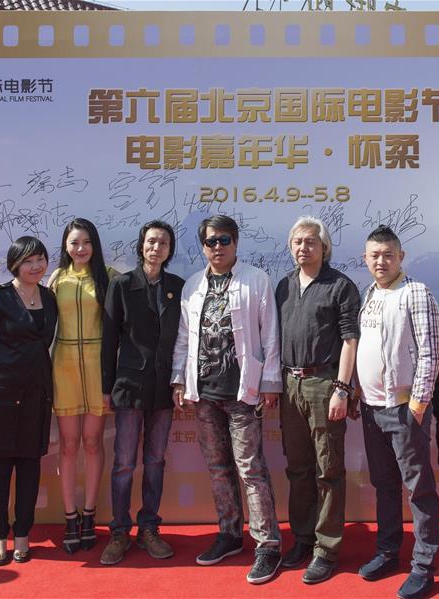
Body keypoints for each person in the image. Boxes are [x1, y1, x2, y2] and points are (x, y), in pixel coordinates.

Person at [171, 215, 284, 585]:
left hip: (242, 393)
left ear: (236, 242)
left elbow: (270, 335)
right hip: (204, 393)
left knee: (250, 469)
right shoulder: (192, 285)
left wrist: (270, 382)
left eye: (223, 240)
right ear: (202, 246)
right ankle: (230, 534)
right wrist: (178, 379)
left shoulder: (256, 279)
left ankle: (267, 544)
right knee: (218, 468)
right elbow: (184, 338)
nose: (217, 247)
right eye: (210, 241)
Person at [355, 225, 439, 599]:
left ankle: (423, 566)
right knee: (384, 485)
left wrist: (418, 404)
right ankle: (388, 552)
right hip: (371, 408)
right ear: (365, 259)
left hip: (404, 408)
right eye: (374, 255)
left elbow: (431, 352)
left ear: (401, 257)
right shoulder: (369, 293)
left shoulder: (416, 293)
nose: (381, 261)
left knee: (418, 489)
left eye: (388, 255)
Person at [274, 216, 361, 584]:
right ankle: (303, 539)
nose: (303, 247)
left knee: (328, 469)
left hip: (324, 383)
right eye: (297, 241)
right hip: (289, 383)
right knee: (298, 468)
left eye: (310, 241)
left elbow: (350, 340)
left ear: (324, 247)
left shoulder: (340, 286)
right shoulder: (284, 285)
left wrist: (342, 387)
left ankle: (326, 549)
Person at [0, 236, 58, 566]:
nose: (36, 266)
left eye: (40, 259)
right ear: (15, 264)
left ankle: (23, 536)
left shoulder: (49, 298)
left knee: (30, 466)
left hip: (36, 395)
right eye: (28, 260)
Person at [99, 220, 185, 566]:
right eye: (151, 242)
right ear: (141, 246)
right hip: (129, 387)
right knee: (123, 463)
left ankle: (149, 527)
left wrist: (180, 381)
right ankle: (119, 531)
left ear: (169, 250)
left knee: (155, 461)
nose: (156, 248)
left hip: (163, 389)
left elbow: (183, 339)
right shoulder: (121, 285)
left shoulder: (177, 287)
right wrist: (106, 388)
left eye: (163, 243)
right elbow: (109, 340)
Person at [47, 218, 118, 554]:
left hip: (97, 367)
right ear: (65, 245)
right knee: (68, 445)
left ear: (95, 244)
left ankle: (90, 513)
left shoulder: (109, 276)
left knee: (92, 442)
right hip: (63, 367)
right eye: (74, 242)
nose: (80, 248)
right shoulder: (56, 279)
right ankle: (69, 517)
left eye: (86, 242)